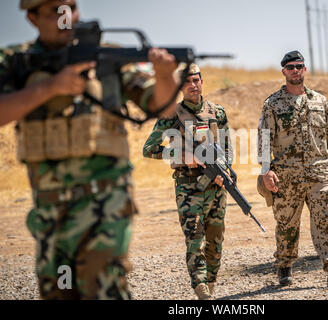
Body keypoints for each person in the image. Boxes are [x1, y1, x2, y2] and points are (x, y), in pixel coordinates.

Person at [0, 0, 179, 299]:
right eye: (54, 10)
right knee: (60, 290)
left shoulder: (107, 56)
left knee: (102, 290)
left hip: (105, 204)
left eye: (71, 7)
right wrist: (50, 88)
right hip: (50, 210)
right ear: (32, 18)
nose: (65, 16)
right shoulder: (15, 60)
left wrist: (164, 75)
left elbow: (161, 106)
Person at [257, 50, 328, 288]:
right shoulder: (272, 104)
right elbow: (264, 139)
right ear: (284, 72)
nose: (295, 70)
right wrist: (266, 170)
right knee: (287, 223)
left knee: (326, 220)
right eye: (290, 67)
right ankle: (284, 266)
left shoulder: (320, 101)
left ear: (305, 69)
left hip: (320, 172)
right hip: (286, 175)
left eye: (299, 66)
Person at [142, 63, 232, 299]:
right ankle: (200, 286)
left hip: (216, 186)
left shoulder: (217, 112)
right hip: (188, 187)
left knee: (216, 239)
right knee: (195, 238)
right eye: (187, 81)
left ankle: (210, 283)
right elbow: (149, 149)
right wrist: (183, 156)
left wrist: (227, 171)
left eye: (196, 80)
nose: (193, 85)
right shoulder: (170, 115)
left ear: (202, 81)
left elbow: (226, 149)